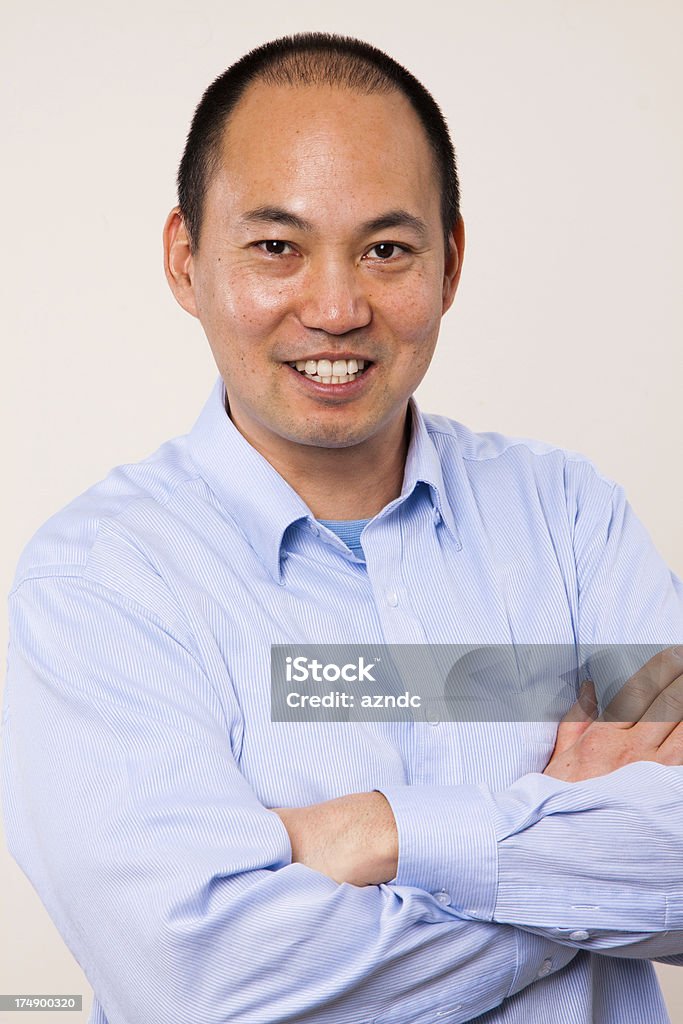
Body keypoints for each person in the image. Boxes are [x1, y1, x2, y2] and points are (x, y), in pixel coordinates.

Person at [3, 31, 683, 1024]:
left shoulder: (566, 514)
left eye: (386, 249)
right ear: (186, 261)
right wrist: (565, 875)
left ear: (448, 263)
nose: (333, 306)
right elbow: (206, 984)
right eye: (276, 247)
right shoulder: (98, 583)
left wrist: (381, 833)